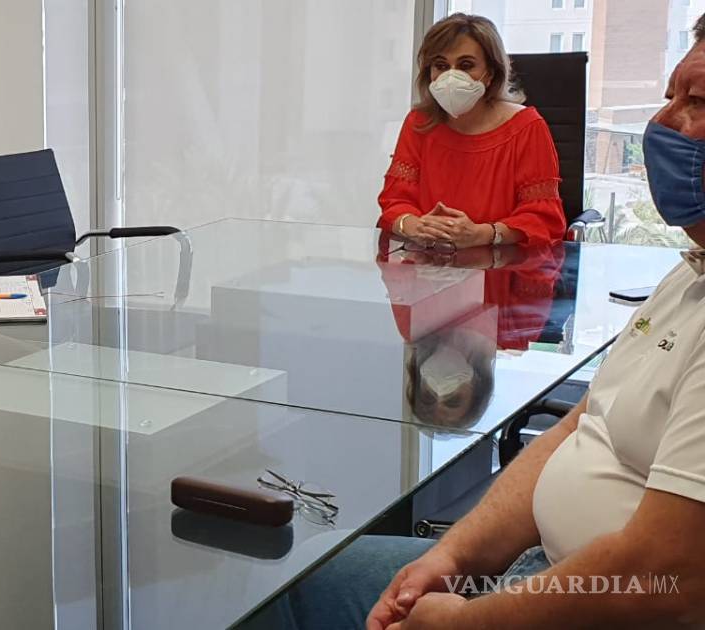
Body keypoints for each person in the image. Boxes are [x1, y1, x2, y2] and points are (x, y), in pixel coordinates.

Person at [258, 22, 705, 630]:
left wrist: (465, 619)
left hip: (583, 595)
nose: (661, 122)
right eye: (669, 95)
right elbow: (579, 424)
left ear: (491, 70)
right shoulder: (687, 273)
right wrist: (451, 556)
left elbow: (664, 578)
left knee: (290, 580)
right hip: (538, 561)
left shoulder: (525, 127)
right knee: (295, 568)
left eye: (695, 100)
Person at [377, 14, 566, 250]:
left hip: (500, 264)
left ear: (490, 73)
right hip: (428, 262)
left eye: (466, 65)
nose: (451, 76)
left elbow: (544, 219)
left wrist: (483, 234)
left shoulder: (527, 127)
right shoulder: (419, 123)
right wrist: (414, 225)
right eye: (441, 66)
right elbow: (395, 200)